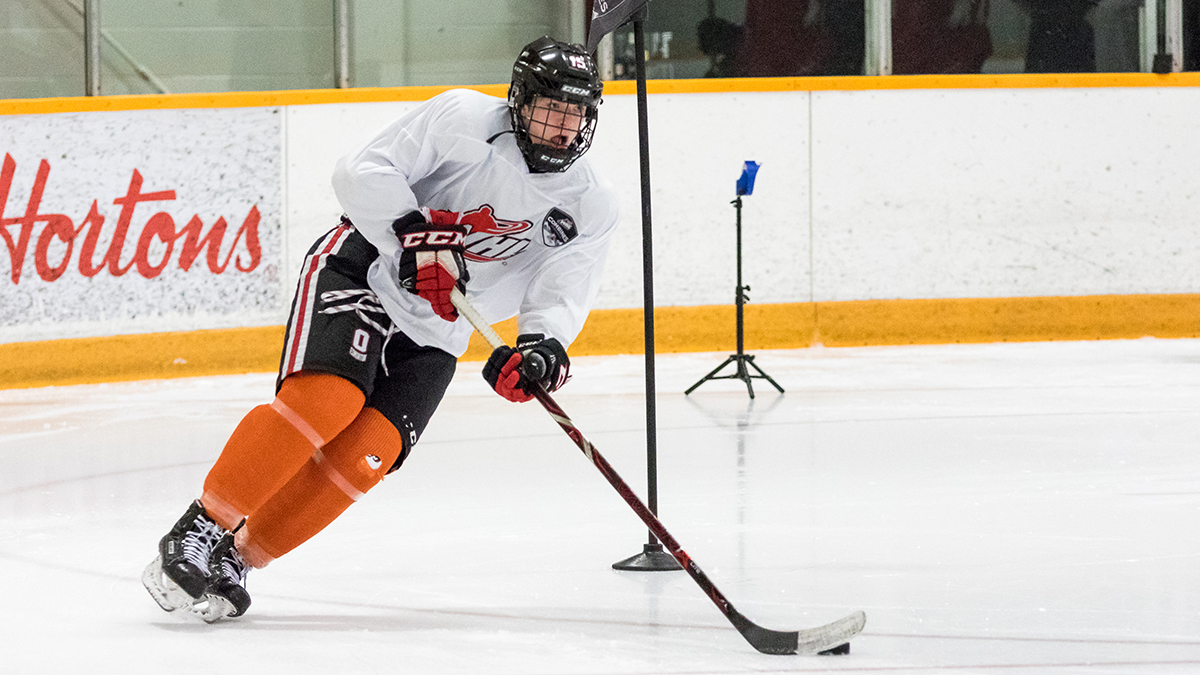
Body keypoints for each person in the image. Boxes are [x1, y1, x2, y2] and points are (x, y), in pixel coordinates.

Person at [141, 36, 618, 622]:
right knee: (328, 401)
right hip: (366, 268)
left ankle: (237, 557)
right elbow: (361, 170)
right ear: (519, 100)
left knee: (368, 452)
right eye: (550, 109)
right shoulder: (462, 118)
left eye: (575, 115)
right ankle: (199, 527)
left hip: (440, 328)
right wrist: (410, 230)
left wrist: (541, 349)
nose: (561, 128)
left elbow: (563, 291)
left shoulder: (591, 204)